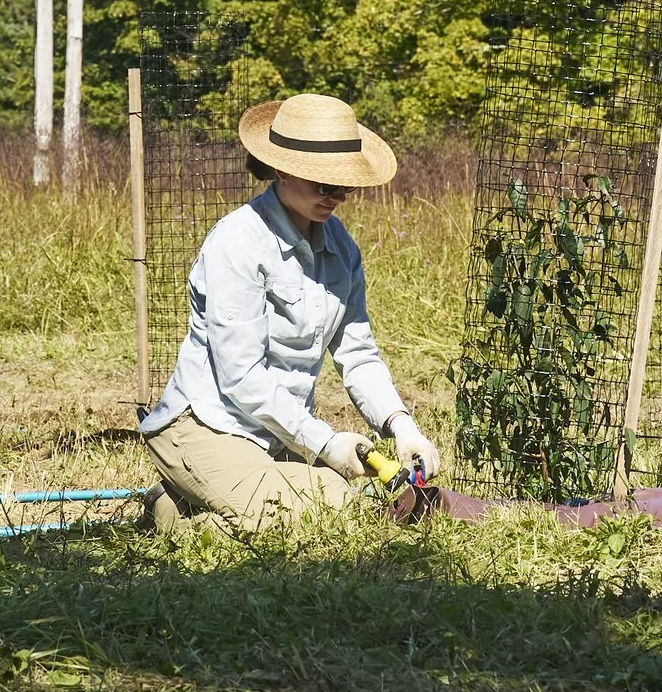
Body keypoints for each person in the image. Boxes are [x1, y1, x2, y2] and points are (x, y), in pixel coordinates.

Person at [140, 92, 442, 532]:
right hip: (208, 426)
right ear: (282, 169)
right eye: (325, 184)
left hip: (276, 435)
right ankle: (179, 508)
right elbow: (241, 377)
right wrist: (325, 441)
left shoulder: (341, 247)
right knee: (332, 507)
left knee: (338, 501)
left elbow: (358, 355)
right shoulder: (237, 242)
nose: (339, 195)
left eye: (347, 184)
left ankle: (177, 501)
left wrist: (402, 426)